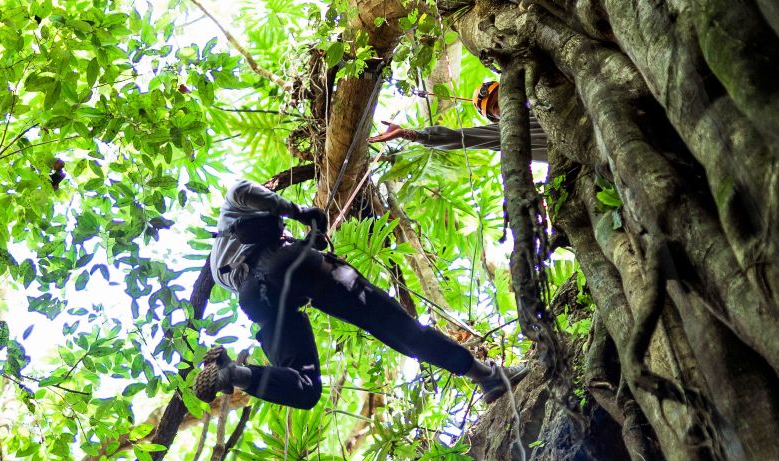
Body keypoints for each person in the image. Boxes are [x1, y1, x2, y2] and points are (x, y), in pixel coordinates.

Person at [193, 180, 528, 410]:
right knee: (396, 326)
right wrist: (298, 212)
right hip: (281, 265)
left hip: (255, 301)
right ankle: (486, 375)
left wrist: (305, 246)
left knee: (306, 388)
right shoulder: (231, 211)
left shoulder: (220, 261)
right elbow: (242, 190)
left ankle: (234, 374)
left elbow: (268, 278)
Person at [367, 81, 549, 162]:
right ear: (496, 119)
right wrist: (410, 134)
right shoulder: (507, 132)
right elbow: (460, 137)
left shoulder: (544, 91)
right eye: (495, 106)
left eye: (502, 95)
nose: (502, 103)